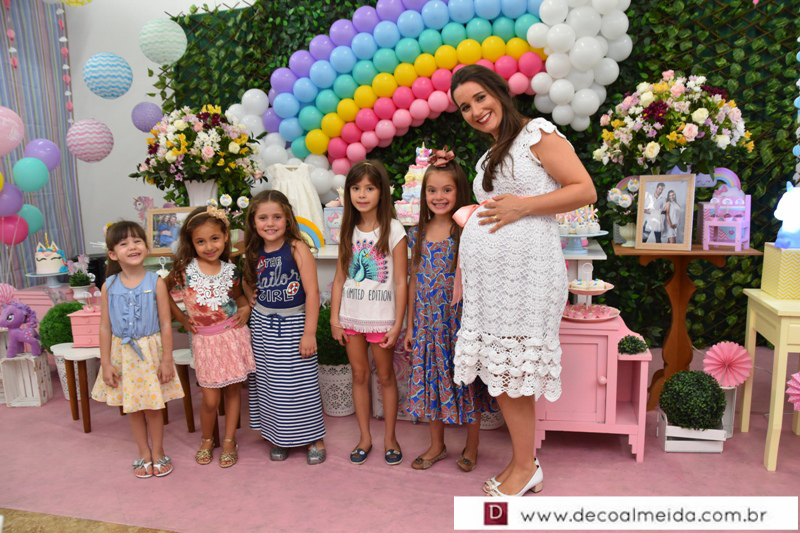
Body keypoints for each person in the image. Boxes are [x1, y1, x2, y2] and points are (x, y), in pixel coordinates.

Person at [450, 65, 596, 496]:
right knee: (504, 372)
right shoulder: (489, 155)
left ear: (499, 92)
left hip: (528, 278)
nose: (475, 111)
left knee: (515, 374)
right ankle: (523, 462)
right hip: (493, 285)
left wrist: (523, 206)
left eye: (480, 98)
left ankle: (525, 466)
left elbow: (584, 189)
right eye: (464, 107)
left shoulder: (537, 133)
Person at [403, 148, 495, 471]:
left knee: (468, 381)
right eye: (432, 190)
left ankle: (472, 445)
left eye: (446, 190)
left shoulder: (467, 231)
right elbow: (413, 281)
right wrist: (411, 326)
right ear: (424, 194)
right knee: (431, 382)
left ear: (459, 192)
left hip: (459, 324)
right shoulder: (416, 234)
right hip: (428, 325)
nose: (439, 197)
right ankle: (437, 445)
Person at [91, 220, 184, 479]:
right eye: (124, 243)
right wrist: (106, 363)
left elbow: (166, 323)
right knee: (132, 405)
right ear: (113, 254)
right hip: (123, 355)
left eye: (137, 241)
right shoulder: (108, 286)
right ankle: (144, 452)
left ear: (146, 247)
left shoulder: (156, 282)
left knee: (153, 406)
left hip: (151, 353)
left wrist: (167, 359)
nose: (132, 246)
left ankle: (158, 451)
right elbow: (105, 327)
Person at [330, 160, 408, 466]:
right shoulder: (347, 229)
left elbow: (400, 281)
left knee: (386, 377)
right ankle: (364, 437)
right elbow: (340, 278)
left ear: (381, 192)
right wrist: (335, 319)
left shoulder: (394, 230)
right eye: (355, 188)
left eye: (369, 188)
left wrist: (397, 323)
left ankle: (391, 438)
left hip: (381, 318)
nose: (362, 194)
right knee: (359, 375)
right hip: (351, 317)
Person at [167, 205, 255, 468]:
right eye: (201, 241)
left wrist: (245, 309)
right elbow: (161, 289)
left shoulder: (231, 270)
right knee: (210, 399)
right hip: (205, 342)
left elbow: (239, 297)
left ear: (225, 236)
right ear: (191, 243)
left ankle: (229, 441)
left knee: (233, 392)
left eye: (214, 238)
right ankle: (207, 440)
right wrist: (182, 319)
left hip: (232, 336)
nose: (209, 246)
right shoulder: (184, 270)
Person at [242, 190, 326, 465]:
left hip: (294, 325)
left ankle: (313, 437)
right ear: (253, 221)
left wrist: (309, 333)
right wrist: (250, 296)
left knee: (300, 385)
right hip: (263, 327)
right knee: (271, 385)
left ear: (287, 218)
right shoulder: (253, 251)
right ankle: (280, 436)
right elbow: (247, 281)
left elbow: (312, 292)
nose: (270, 223)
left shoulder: (296, 248)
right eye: (263, 218)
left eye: (276, 217)